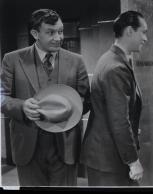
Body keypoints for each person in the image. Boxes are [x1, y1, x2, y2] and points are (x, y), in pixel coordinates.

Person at [1, 9, 90, 186]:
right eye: (50, 32)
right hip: (28, 146)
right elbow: (2, 96)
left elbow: (85, 100)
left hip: (65, 146)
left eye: (60, 31)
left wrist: (69, 106)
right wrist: (21, 106)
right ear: (35, 33)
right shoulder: (12, 59)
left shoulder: (76, 61)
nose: (58, 37)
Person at [80, 10, 148, 186]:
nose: (145, 38)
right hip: (109, 160)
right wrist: (133, 161)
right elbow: (119, 119)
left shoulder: (111, 58)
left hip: (107, 156)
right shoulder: (116, 67)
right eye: (143, 32)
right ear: (130, 31)